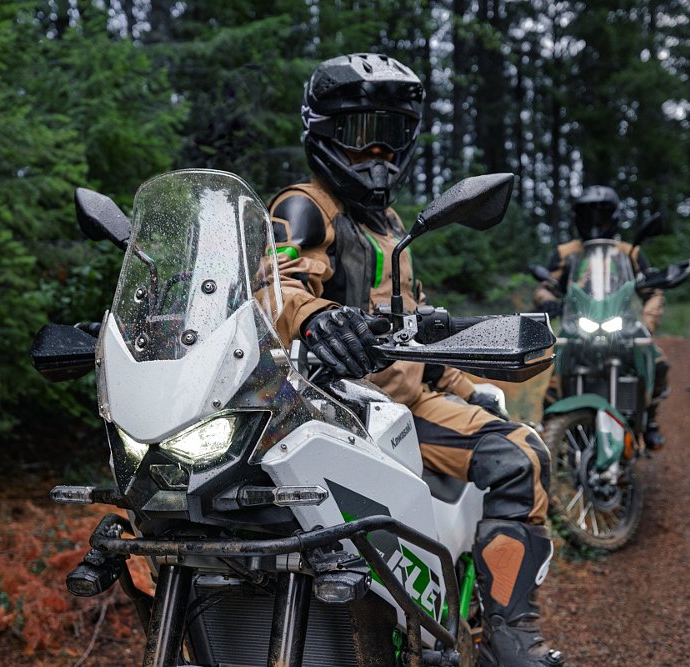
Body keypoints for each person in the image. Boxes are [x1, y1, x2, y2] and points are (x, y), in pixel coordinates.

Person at [269, 52, 564, 667]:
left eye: (393, 136)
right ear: (322, 130)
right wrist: (317, 317)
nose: (378, 152)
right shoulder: (305, 207)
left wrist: (464, 383)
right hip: (332, 410)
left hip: (403, 407)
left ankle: (505, 638)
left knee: (522, 454)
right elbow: (276, 284)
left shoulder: (390, 226)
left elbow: (412, 338)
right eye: (361, 134)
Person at [533, 185, 669, 449]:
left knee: (658, 362)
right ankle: (547, 432)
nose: (595, 222)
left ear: (614, 218)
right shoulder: (566, 253)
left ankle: (649, 420)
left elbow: (653, 291)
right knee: (555, 380)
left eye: (602, 216)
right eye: (588, 215)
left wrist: (647, 323)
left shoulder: (629, 252)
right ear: (577, 218)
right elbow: (545, 286)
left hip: (622, 326)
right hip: (577, 327)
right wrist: (549, 302)